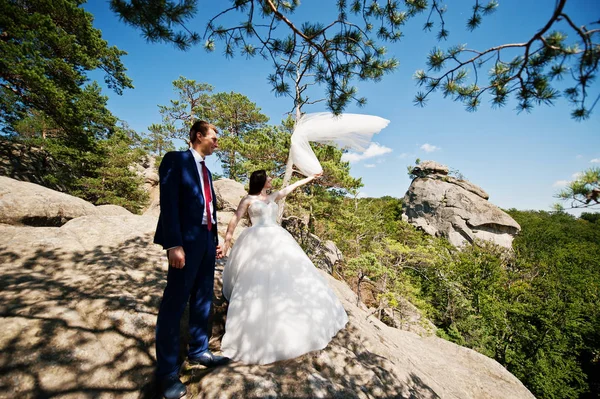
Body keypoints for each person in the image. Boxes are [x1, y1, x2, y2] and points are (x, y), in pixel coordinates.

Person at [220, 170, 348, 365]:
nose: (272, 179)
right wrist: (227, 241)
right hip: (255, 239)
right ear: (261, 181)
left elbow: (291, 188)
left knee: (287, 273)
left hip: (277, 237)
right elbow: (235, 219)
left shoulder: (272, 196)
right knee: (255, 276)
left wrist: (310, 178)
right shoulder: (248, 199)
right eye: (269, 177)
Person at [153, 121, 229, 399]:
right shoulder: (176, 160)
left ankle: (199, 350)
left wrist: (216, 239)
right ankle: (168, 374)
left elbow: (209, 208)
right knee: (174, 304)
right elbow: (169, 203)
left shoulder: (207, 172)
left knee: (203, 298)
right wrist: (174, 243)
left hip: (207, 240)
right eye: (214, 137)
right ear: (199, 136)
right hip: (185, 240)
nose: (217, 143)